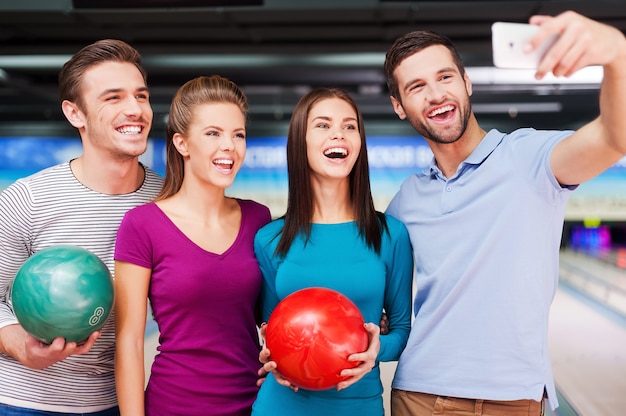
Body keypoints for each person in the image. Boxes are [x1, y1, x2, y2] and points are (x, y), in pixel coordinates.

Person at [383, 10, 626, 416]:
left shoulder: (530, 157)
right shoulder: (406, 200)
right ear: (399, 106)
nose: (436, 93)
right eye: (417, 86)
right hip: (418, 395)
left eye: (445, 77)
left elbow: (614, 138)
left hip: (512, 400)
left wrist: (617, 54)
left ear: (466, 82)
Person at [0, 39, 162, 415]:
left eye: (141, 95)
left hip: (117, 402)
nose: (135, 109)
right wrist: (18, 344)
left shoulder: (166, 201)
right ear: (76, 114)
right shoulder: (28, 199)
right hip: (23, 402)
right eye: (113, 98)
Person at [114, 75, 272, 416]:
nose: (229, 145)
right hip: (173, 404)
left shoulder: (259, 218)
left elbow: (271, 318)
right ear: (182, 144)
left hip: (255, 405)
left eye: (238, 134)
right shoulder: (142, 225)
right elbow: (127, 342)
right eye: (213, 133)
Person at [252, 87, 414, 416]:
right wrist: (272, 357)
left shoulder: (390, 235)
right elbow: (272, 329)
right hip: (281, 406)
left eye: (349, 126)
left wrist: (376, 350)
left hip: (359, 405)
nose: (338, 134)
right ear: (301, 141)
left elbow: (402, 331)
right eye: (323, 125)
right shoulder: (270, 239)